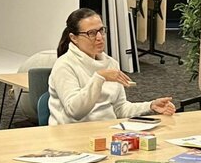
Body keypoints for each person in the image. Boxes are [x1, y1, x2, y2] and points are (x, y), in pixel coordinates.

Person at [48, 8, 176, 125]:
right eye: (91, 33)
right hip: (73, 133)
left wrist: (150, 106)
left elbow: (120, 109)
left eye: (101, 30)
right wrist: (99, 77)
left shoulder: (111, 63)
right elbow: (75, 112)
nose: (99, 37)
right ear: (74, 38)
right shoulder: (64, 65)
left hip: (107, 131)